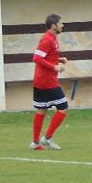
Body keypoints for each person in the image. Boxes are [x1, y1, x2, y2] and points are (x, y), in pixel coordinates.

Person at [30, 14, 70, 150]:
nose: (62, 25)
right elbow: (36, 58)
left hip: (41, 80)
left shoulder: (53, 38)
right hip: (47, 81)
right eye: (61, 23)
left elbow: (45, 56)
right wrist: (54, 67)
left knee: (41, 110)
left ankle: (35, 143)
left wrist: (59, 60)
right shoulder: (47, 39)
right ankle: (46, 139)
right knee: (63, 108)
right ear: (54, 26)